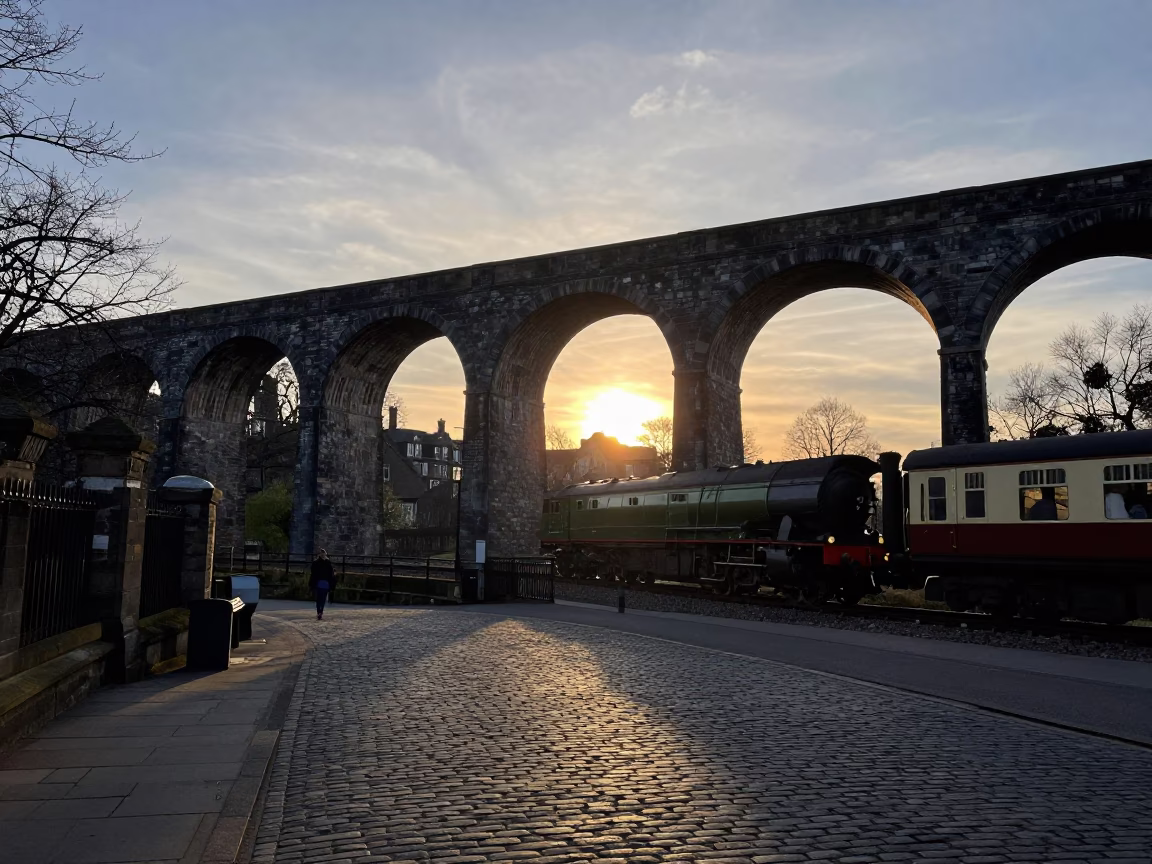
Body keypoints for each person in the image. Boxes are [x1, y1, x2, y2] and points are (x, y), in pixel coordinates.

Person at [309, 549, 335, 620]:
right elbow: (331, 574)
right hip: (324, 583)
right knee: (322, 599)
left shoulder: (316, 563)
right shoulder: (327, 563)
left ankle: (319, 612)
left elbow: (313, 573)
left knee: (319, 598)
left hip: (319, 582)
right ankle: (320, 612)